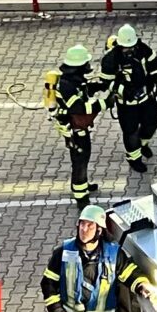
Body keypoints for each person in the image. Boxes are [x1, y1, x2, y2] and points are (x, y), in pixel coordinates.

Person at [40, 208, 144, 312]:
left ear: (99, 230)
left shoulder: (113, 254)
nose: (84, 229)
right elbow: (48, 282)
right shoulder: (64, 252)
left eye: (89, 226)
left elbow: (130, 273)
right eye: (82, 224)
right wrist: (56, 310)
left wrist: (143, 286)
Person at [100, 23, 157, 176]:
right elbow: (106, 83)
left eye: (131, 46)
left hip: (146, 96)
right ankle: (134, 158)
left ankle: (143, 144)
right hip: (126, 104)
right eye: (125, 47)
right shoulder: (111, 59)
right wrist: (123, 90)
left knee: (153, 121)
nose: (129, 50)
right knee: (130, 131)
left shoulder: (144, 50)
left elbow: (154, 67)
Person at [47, 45, 106, 210]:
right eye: (86, 63)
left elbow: (83, 91)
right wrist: (103, 103)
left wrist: (97, 86)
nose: (89, 65)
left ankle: (83, 185)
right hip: (74, 131)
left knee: (83, 159)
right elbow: (79, 108)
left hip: (78, 129)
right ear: (79, 66)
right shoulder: (67, 86)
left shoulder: (74, 80)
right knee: (79, 162)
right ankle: (81, 196)